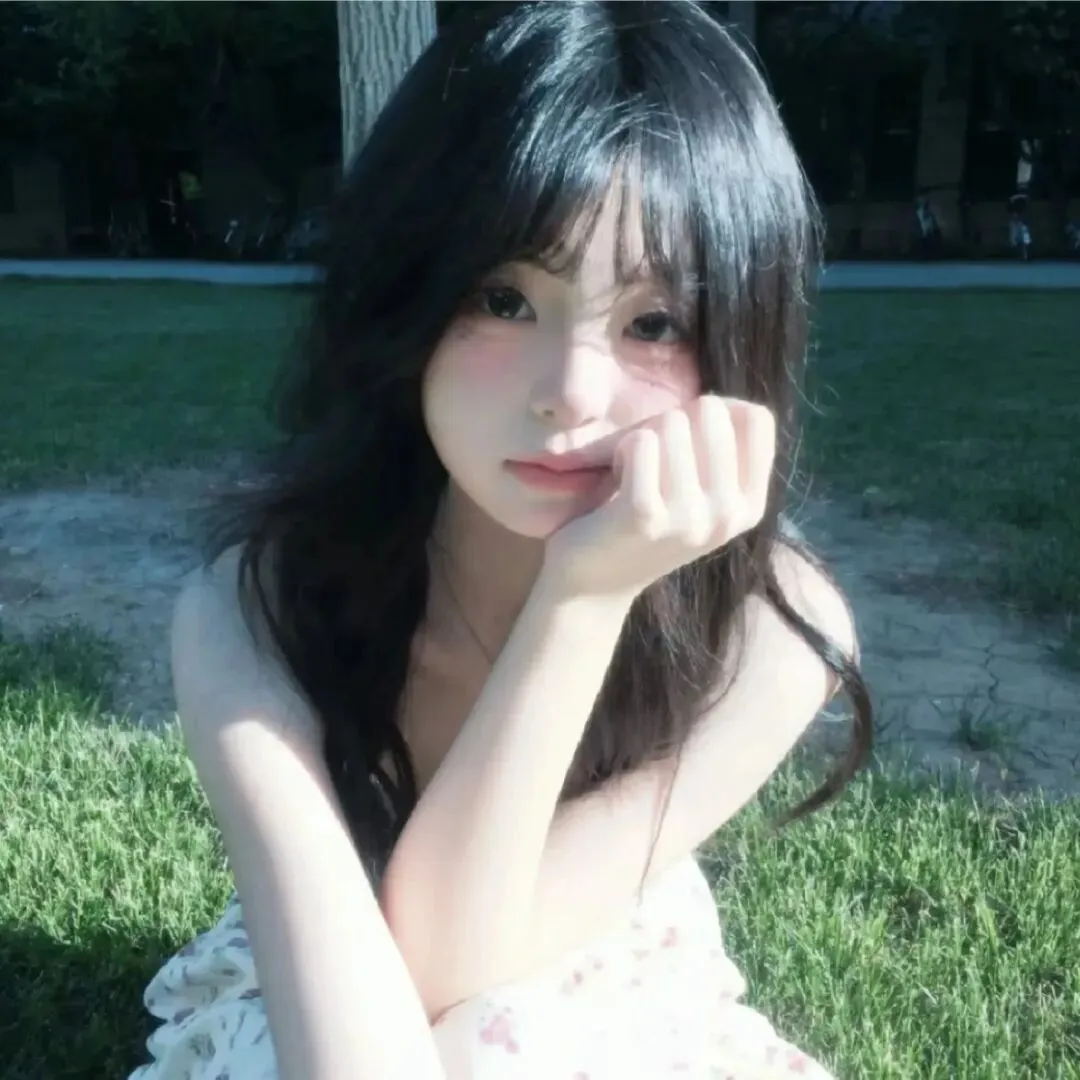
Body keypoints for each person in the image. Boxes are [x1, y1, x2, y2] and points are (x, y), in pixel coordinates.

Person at [128, 3, 872, 1078]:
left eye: (654, 322)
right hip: (331, 958)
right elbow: (391, 1012)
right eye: (502, 298)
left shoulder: (771, 632)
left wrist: (585, 596)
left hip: (606, 960)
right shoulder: (259, 607)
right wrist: (580, 596)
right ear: (406, 290)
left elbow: (463, 967)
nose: (570, 392)